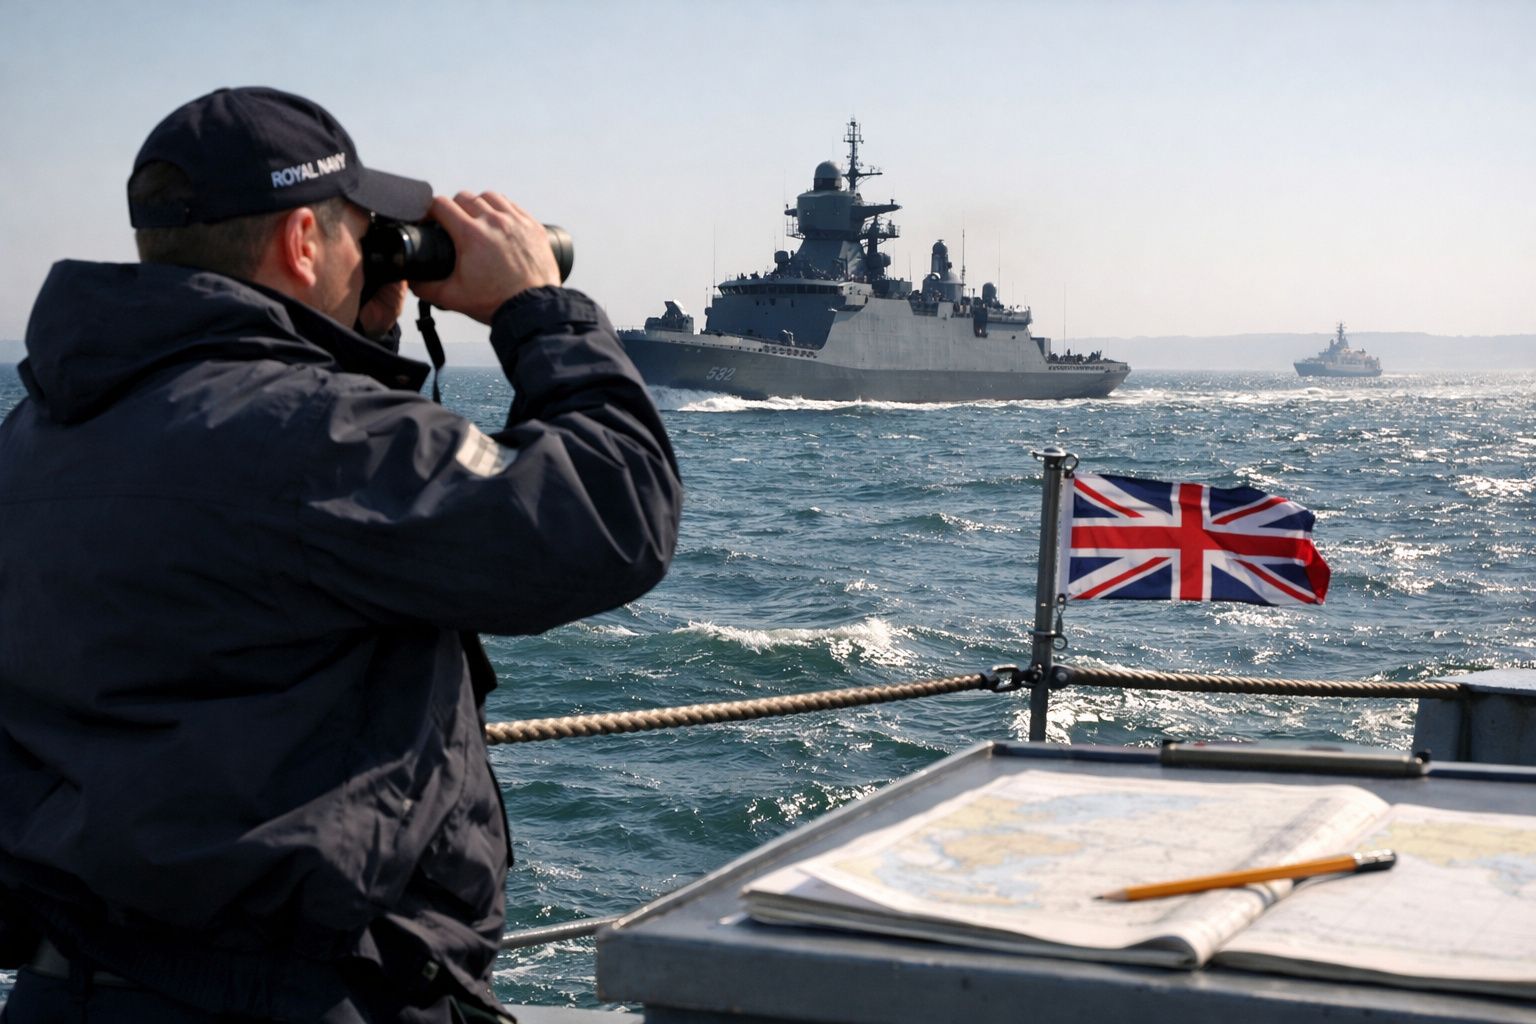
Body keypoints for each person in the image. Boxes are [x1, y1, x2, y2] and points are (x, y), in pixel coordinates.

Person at [0, 87, 682, 1021]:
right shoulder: (317, 437)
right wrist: (539, 308)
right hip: (296, 996)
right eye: (365, 234)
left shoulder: (33, 437)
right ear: (300, 241)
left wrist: (360, 341)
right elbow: (613, 512)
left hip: (68, 987)